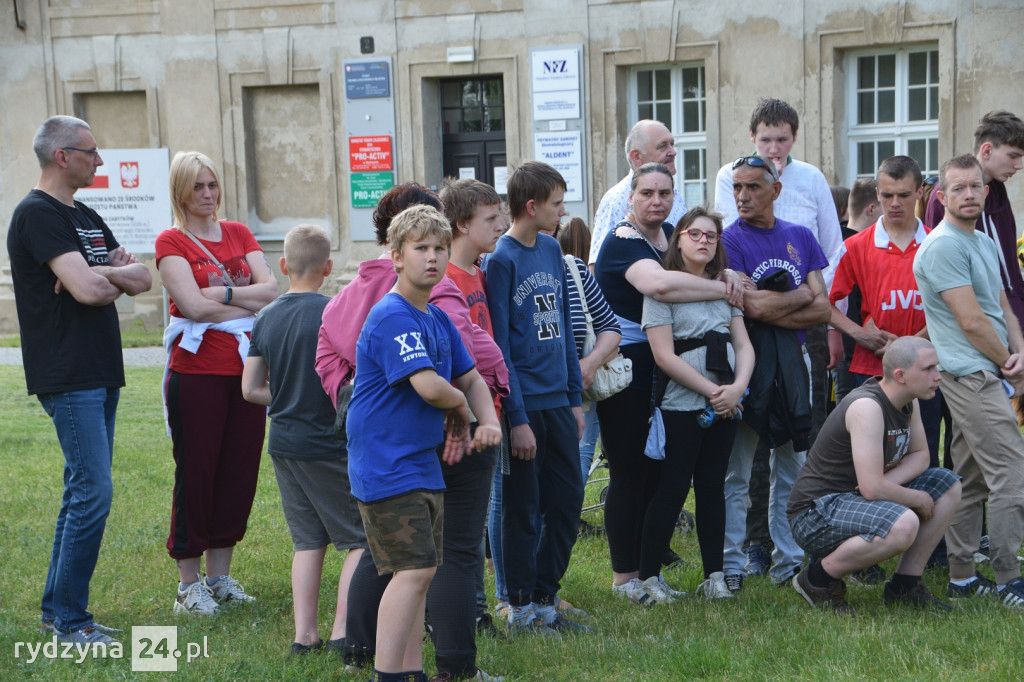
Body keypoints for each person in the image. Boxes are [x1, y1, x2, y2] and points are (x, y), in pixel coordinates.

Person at [316, 182, 508, 680]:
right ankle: (389, 673)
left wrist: (489, 420)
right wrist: (462, 409)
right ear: (397, 257)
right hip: (386, 465)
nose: (433, 257)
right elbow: (428, 385)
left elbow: (470, 376)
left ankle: (411, 670)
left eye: (440, 248)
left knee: (419, 572)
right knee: (414, 570)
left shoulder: (436, 316)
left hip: (421, 463)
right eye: (420, 248)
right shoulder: (392, 316)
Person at [7, 115, 152, 644]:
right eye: (91, 152)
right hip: (67, 371)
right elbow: (91, 292)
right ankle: (70, 620)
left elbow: (142, 277)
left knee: (82, 490)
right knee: (94, 491)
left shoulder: (86, 216)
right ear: (62, 156)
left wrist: (101, 273)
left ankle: (58, 611)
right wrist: (101, 278)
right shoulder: (37, 215)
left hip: (100, 367)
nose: (100, 160)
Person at [593, 162, 743, 604]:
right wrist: (726, 288)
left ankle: (650, 568)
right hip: (627, 366)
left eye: (665, 193)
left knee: (658, 472)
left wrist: (726, 274)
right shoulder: (622, 241)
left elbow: (701, 268)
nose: (656, 201)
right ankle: (626, 576)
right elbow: (658, 285)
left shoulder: (672, 235)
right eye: (647, 193)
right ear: (630, 197)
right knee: (628, 470)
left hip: (667, 369)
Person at [715, 98, 844, 573]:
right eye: (737, 188)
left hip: (797, 358)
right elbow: (750, 307)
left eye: (752, 187)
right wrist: (799, 297)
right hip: (747, 359)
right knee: (741, 467)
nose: (742, 196)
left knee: (792, 461)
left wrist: (781, 302)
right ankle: (734, 561)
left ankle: (787, 559)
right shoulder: (729, 240)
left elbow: (823, 307)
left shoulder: (799, 235)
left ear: (776, 189)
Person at [156, 151, 279, 615]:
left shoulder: (239, 233)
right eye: (197, 186)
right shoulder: (171, 241)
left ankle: (219, 577)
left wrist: (223, 293)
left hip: (247, 372)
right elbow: (192, 307)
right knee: (198, 472)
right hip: (197, 375)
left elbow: (272, 291)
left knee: (239, 472)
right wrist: (245, 303)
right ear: (181, 191)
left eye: (212, 184)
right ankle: (188, 586)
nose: (208, 194)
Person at [240, 225, 365, 655]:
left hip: (284, 442)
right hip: (327, 443)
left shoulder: (265, 316)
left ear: (282, 265)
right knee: (359, 538)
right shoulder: (334, 312)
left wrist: (284, 395)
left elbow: (250, 388)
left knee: (308, 541)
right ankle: (342, 633)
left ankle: (304, 636)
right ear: (328, 267)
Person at [484, 162, 591, 635]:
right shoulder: (501, 260)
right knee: (522, 509)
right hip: (524, 406)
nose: (563, 212)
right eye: (557, 203)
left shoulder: (551, 249)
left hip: (558, 403)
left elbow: (565, 328)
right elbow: (500, 346)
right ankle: (520, 604)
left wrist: (573, 398)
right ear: (532, 206)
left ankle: (547, 598)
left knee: (567, 501)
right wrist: (517, 416)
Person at [914, 154, 1024, 608]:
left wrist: (1019, 353)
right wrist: (1008, 362)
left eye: (976, 186)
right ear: (941, 196)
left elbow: (1001, 306)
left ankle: (961, 577)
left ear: (986, 190)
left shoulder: (982, 241)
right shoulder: (942, 247)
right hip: (970, 375)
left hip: (989, 370)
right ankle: (1009, 579)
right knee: (1012, 475)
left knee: (971, 480)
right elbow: (972, 321)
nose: (969, 194)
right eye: (958, 188)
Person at [788, 337, 961, 613]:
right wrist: (915, 498)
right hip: (815, 513)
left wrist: (884, 485)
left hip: (854, 498)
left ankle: (905, 586)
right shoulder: (867, 407)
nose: (937, 376)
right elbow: (871, 488)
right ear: (900, 375)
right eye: (928, 369)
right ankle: (817, 579)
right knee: (903, 525)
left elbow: (921, 456)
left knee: (947, 484)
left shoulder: (909, 400)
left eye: (936, 367)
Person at [642, 207, 754, 601]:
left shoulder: (726, 288)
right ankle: (649, 577)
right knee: (672, 489)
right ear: (679, 240)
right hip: (682, 405)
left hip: (727, 404)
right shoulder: (663, 290)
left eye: (711, 235)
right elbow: (663, 355)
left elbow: (743, 344)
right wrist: (712, 391)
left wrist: (737, 387)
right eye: (695, 234)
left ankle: (715, 576)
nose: (703, 241)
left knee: (712, 488)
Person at [829, 156, 942, 461]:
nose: (894, 203)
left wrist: (911, 344)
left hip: (926, 368)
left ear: (920, 191)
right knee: (873, 456)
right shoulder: (855, 246)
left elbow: (949, 309)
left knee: (924, 453)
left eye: (903, 195)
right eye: (887, 195)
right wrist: (858, 333)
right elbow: (824, 303)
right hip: (872, 368)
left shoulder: (937, 243)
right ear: (877, 193)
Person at [924, 111, 1024, 332]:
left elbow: (1008, 267)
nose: (1018, 165)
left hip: (1012, 318)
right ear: (986, 150)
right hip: (980, 327)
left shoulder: (997, 190)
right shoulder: (944, 197)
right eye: (1013, 156)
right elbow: (940, 271)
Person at [589, 120, 687, 266]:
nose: (673, 152)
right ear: (636, 156)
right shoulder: (616, 199)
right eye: (663, 146)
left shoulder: (676, 195)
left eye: (672, 144)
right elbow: (596, 264)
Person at [829, 179, 880, 401]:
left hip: (858, 350)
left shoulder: (835, 242)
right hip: (852, 352)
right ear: (872, 208)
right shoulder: (845, 247)